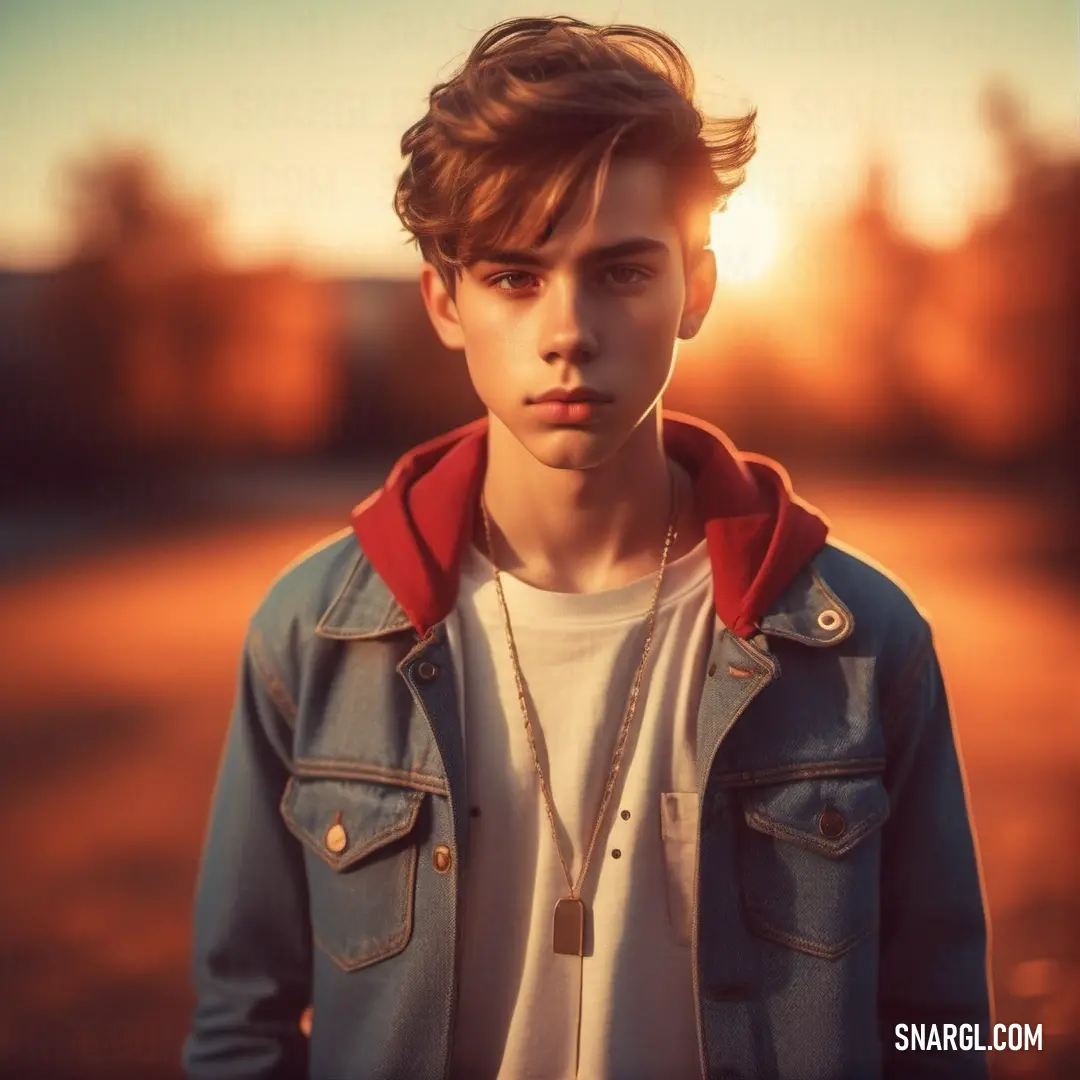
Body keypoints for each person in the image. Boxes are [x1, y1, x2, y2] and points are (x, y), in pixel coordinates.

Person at [182, 15, 992, 1080]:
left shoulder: (865, 642)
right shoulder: (312, 635)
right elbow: (240, 1024)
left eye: (619, 273)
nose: (568, 330)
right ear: (444, 299)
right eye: (516, 277)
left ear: (696, 288)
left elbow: (945, 1026)